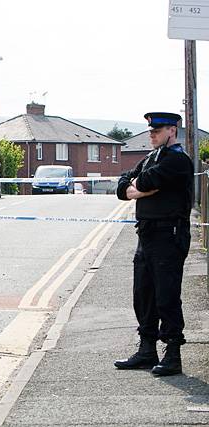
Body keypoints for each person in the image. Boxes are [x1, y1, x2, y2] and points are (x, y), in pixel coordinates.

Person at [114, 112, 193, 376]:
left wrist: (139, 186)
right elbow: (123, 187)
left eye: (157, 130)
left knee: (166, 296)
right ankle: (147, 350)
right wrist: (138, 187)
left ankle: (172, 353)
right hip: (146, 234)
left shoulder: (178, 160)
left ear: (172, 130)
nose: (152, 134)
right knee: (143, 294)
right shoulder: (150, 158)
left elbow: (144, 181)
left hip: (168, 234)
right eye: (150, 130)